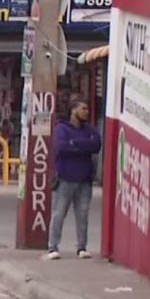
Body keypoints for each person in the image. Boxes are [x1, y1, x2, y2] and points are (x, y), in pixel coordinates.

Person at [45, 99, 102, 260]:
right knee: (58, 213)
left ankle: (82, 247)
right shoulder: (61, 128)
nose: (87, 112)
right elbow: (61, 148)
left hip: (84, 179)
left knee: (82, 215)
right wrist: (84, 147)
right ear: (73, 110)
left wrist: (75, 143)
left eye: (87, 109)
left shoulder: (89, 129)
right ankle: (53, 247)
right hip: (65, 178)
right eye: (83, 108)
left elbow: (96, 145)